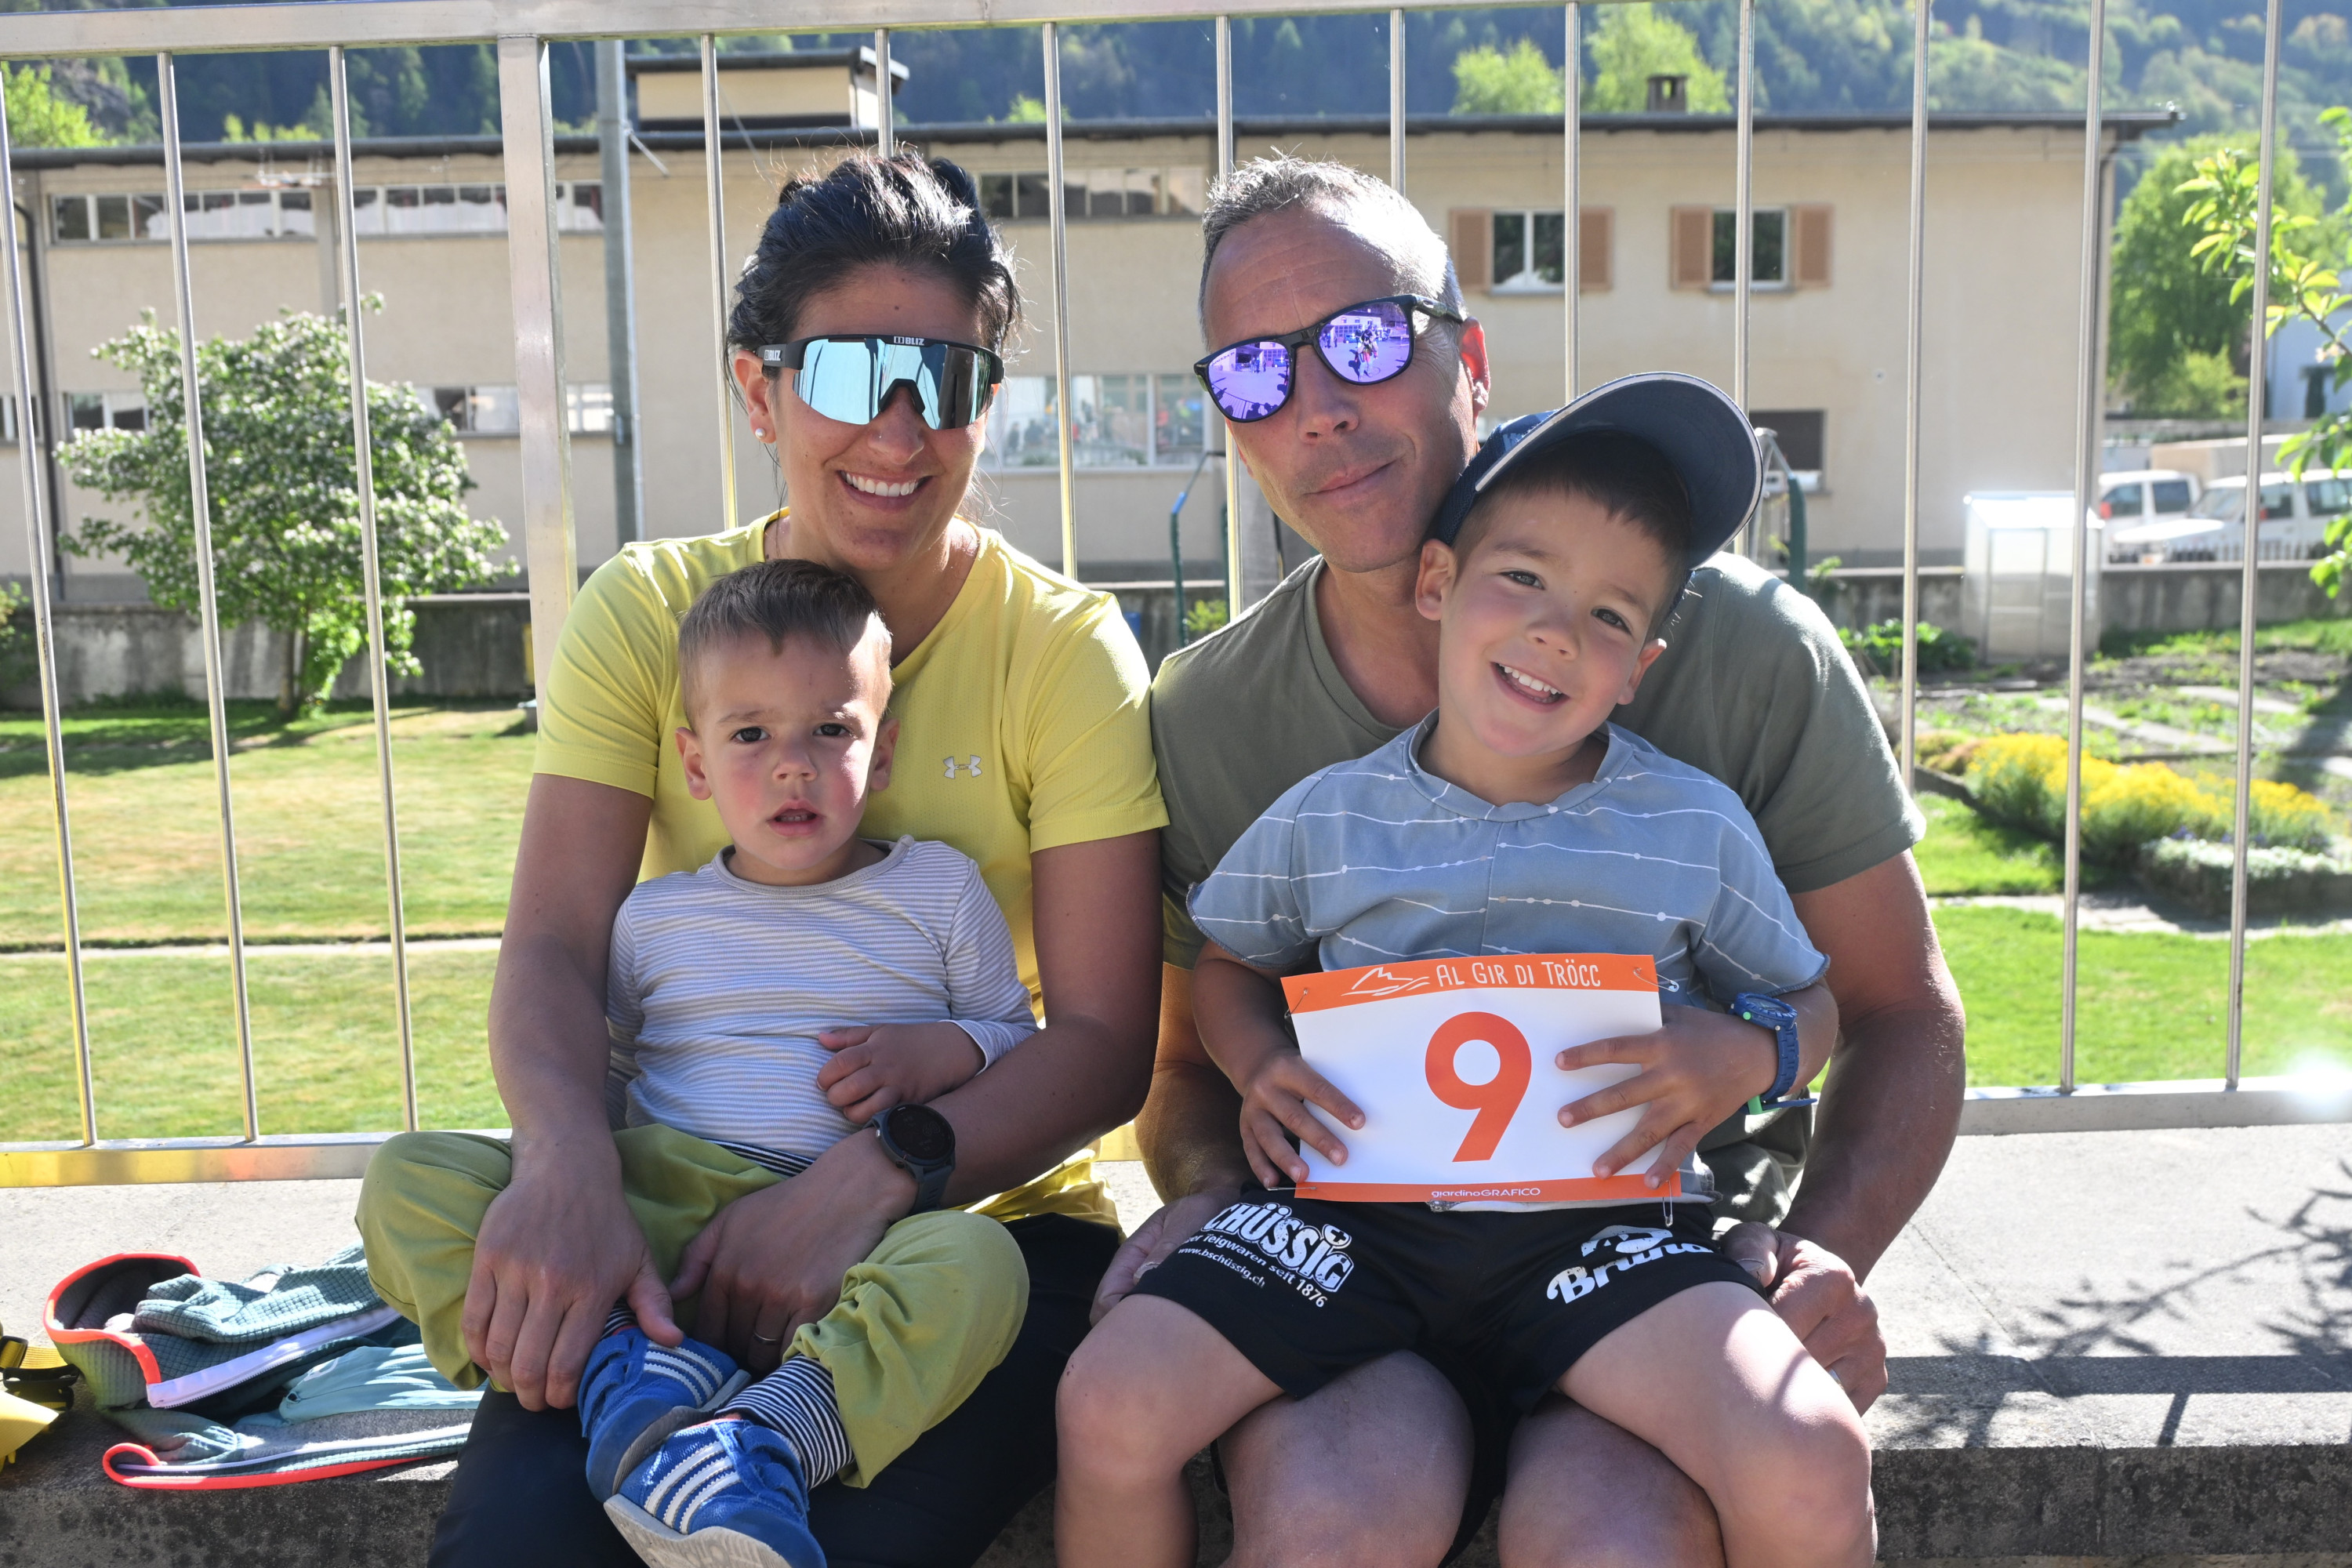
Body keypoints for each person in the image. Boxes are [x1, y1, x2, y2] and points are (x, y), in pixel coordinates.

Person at [1109, 157, 1964, 1564]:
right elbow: (1184, 1057)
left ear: (1471, 359)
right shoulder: (1209, 714)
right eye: (1255, 374)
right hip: (1358, 1275)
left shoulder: (1748, 651)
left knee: (1615, 1543)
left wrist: (1821, 1256)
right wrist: (1212, 1185)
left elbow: (1896, 1006)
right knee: (1326, 1526)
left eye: (1364, 341)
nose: (1316, 406)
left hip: (1657, 1265)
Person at [390, 151, 1164, 1568]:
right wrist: (567, 1166)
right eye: (854, 372)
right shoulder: (652, 612)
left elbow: (1107, 1043)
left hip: (960, 1222)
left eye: (946, 379)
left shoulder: (1062, 650)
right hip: (665, 1213)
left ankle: (761, 1434)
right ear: (759, 390)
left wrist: (874, 1175)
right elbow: (555, 945)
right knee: (518, 1547)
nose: (901, 428)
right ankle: (639, 1387)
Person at [365, 559, 1044, 1568]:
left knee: (981, 1265)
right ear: (693, 761)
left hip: (844, 1234)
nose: (792, 766)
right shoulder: (655, 916)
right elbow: (606, 1079)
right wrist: (579, 1205)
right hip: (649, 1228)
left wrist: (945, 1047)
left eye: (831, 730)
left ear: (884, 750)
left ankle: (763, 1439)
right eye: (750, 734)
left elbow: (1017, 1042)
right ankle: (623, 1370)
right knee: (408, 1178)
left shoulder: (939, 892)